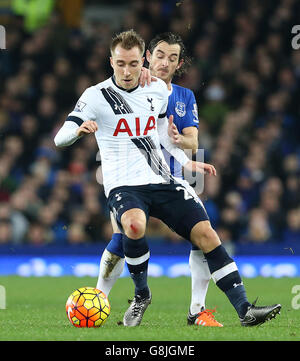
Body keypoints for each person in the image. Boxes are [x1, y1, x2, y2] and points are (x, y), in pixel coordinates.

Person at [54, 29, 281, 327]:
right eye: (121, 63)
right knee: (133, 225)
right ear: (111, 61)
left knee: (207, 235)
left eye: (133, 64)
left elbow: (162, 132)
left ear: (141, 64)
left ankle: (244, 310)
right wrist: (78, 132)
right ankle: (141, 295)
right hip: (123, 184)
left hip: (161, 179)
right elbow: (60, 138)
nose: (127, 70)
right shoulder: (95, 96)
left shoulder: (158, 90)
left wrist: (188, 161)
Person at [96, 32, 223, 327]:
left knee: (201, 236)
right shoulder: (125, 85)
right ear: (148, 57)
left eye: (173, 59)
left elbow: (194, 141)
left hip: (171, 178)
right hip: (129, 180)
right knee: (123, 236)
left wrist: (180, 140)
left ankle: (197, 310)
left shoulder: (183, 96)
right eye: (160, 56)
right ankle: (99, 299)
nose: (165, 63)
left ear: (179, 64)